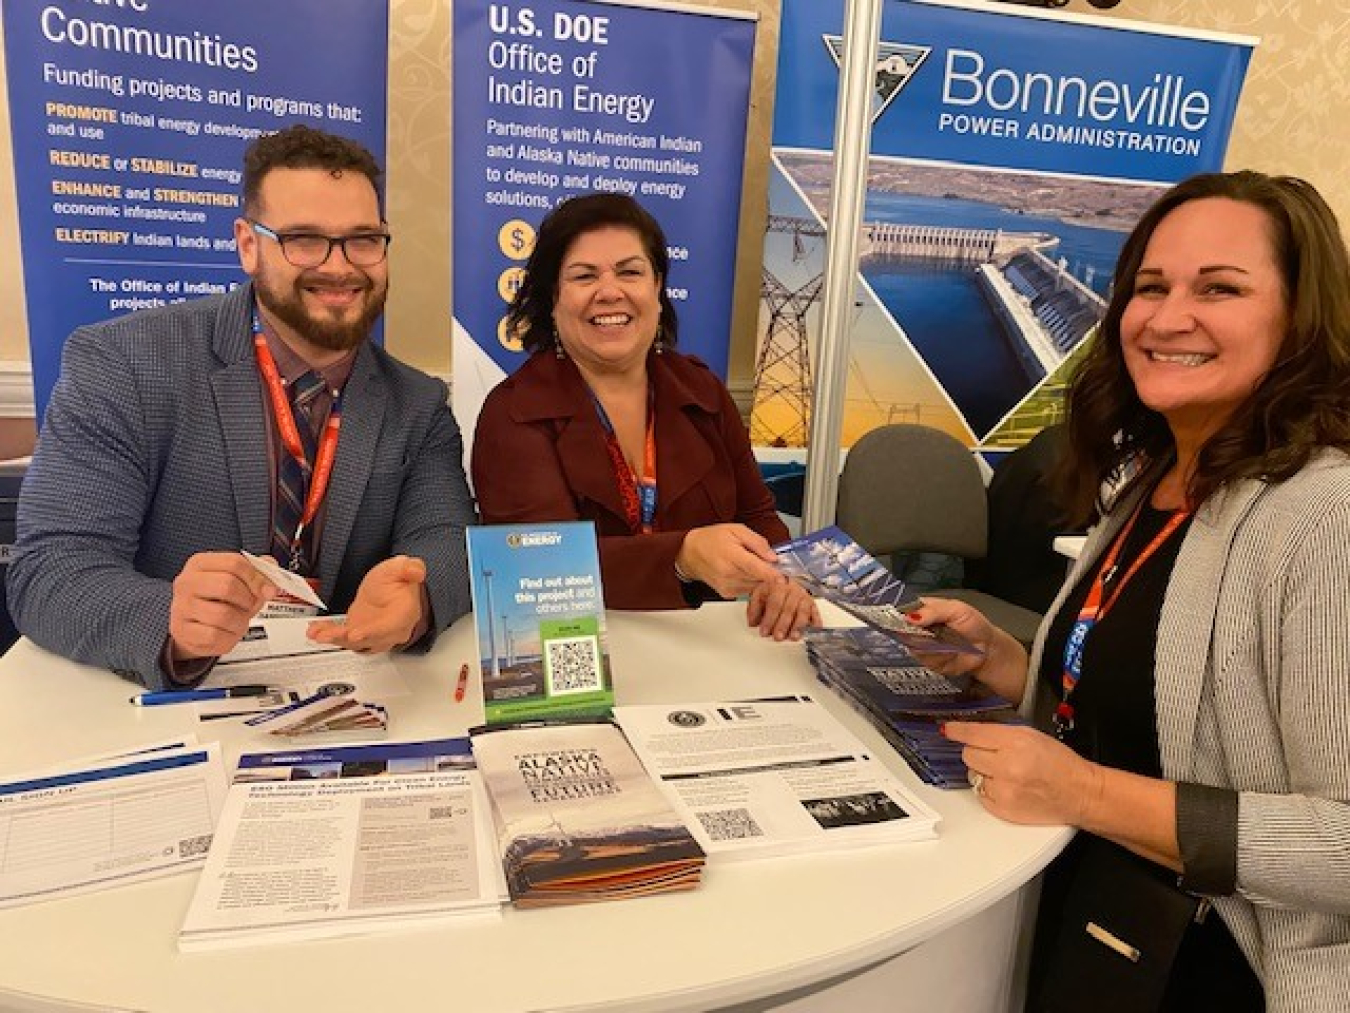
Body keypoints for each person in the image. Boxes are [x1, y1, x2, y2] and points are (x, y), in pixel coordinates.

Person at [910, 171, 1350, 1011]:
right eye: (1150, 287)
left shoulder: (1326, 515)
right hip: (1096, 924)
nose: (1167, 316)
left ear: (1299, 315)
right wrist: (1011, 663)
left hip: (1217, 969)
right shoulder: (1153, 477)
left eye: (1218, 288)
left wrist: (1083, 791)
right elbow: (1147, 709)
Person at [7, 124, 476, 689]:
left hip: (347, 698)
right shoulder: (124, 363)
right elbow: (53, 566)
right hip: (175, 702)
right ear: (248, 245)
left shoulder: (417, 403)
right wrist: (171, 623)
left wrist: (418, 597)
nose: (340, 265)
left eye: (363, 239)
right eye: (304, 238)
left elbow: (448, 538)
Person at [472, 193, 817, 639]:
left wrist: (785, 578)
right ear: (553, 299)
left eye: (630, 272)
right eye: (584, 276)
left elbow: (759, 517)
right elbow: (542, 574)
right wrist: (682, 557)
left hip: (713, 649)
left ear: (657, 289)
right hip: (583, 655)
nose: (610, 291)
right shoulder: (513, 413)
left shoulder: (703, 391)